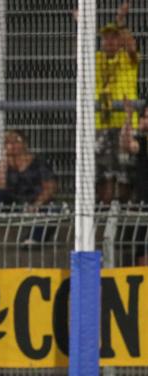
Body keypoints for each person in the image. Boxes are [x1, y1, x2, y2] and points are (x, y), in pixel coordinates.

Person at [95, 3, 139, 205]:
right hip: (101, 124)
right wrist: (80, 26)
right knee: (104, 173)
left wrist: (121, 22)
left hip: (125, 123)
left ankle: (122, 216)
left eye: (114, 37)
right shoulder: (96, 59)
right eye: (106, 38)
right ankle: (103, 218)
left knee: (125, 172)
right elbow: (79, 56)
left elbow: (131, 47)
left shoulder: (128, 58)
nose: (110, 41)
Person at [0, 129, 58, 244]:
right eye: (8, 142)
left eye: (16, 141)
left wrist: (37, 204)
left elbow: (50, 187)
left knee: (54, 209)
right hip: (12, 204)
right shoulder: (2, 166)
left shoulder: (38, 163)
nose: (12, 145)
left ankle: (34, 239)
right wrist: (4, 161)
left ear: (24, 144)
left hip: (35, 202)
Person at [118, 99, 148, 266]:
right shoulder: (142, 142)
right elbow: (126, 144)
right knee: (142, 248)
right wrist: (128, 117)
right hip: (144, 205)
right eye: (144, 116)